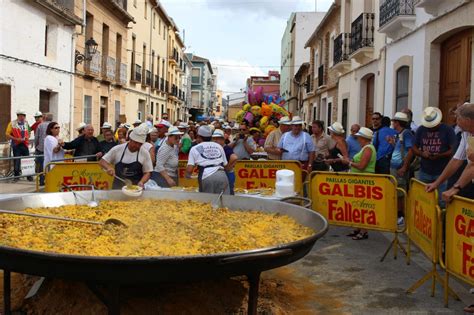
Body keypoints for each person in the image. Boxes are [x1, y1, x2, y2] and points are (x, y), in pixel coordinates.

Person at [427, 102, 474, 200]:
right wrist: (437, 183)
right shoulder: (466, 133)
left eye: (458, 118)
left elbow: (472, 165)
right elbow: (457, 159)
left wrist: (455, 188)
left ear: (468, 121)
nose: (457, 122)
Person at [412, 107, 455, 207]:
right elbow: (413, 147)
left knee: (442, 202)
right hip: (424, 171)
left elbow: (453, 150)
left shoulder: (447, 130)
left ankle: (441, 222)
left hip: (442, 172)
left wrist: (439, 155)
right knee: (424, 200)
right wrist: (422, 153)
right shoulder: (421, 129)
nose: (430, 128)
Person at [341, 127, 377, 240]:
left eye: (359, 138)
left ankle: (364, 230)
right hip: (359, 180)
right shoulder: (365, 148)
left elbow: (362, 166)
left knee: (363, 205)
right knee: (357, 204)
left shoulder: (368, 148)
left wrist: (349, 163)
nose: (357, 140)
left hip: (364, 180)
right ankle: (358, 228)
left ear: (363, 138)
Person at [100, 123, 153, 189]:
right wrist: (108, 168)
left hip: (136, 189)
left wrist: (142, 182)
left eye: (140, 144)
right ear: (130, 140)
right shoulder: (117, 149)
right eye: (135, 143)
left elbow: (147, 172)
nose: (137, 146)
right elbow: (102, 161)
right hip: (118, 188)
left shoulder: (144, 153)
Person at [186, 125, 229, 194]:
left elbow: (189, 169)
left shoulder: (195, 148)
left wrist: (187, 175)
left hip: (206, 176)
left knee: (207, 202)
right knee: (224, 201)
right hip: (222, 175)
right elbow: (226, 165)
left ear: (199, 136)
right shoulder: (219, 146)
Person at [389, 112, 414, 224]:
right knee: (397, 191)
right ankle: (398, 214)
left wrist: (404, 167)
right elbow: (401, 149)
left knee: (400, 192)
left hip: (399, 168)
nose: (392, 123)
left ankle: (401, 216)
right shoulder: (400, 134)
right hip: (395, 167)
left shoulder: (406, 133)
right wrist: (392, 144)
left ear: (397, 123)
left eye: (393, 121)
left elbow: (410, 150)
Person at [5, 109, 32, 181]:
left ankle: (29, 176)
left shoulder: (26, 123)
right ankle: (16, 176)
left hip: (25, 144)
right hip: (16, 145)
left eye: (24, 116)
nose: (23, 117)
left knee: (27, 160)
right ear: (18, 116)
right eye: (21, 115)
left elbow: (29, 131)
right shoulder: (12, 123)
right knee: (17, 160)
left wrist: (28, 136)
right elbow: (7, 134)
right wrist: (15, 138)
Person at [212, 129, 238, 195]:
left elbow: (234, 157)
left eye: (217, 139)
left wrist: (227, 167)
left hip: (227, 174)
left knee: (228, 194)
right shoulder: (218, 148)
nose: (215, 140)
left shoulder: (225, 148)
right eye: (214, 138)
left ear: (223, 139)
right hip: (222, 174)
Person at [34, 112, 53, 186]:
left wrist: (36, 146)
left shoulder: (40, 125)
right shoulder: (54, 125)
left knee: (41, 165)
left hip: (41, 148)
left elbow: (36, 137)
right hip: (51, 148)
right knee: (50, 164)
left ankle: (42, 181)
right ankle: (50, 179)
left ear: (45, 118)